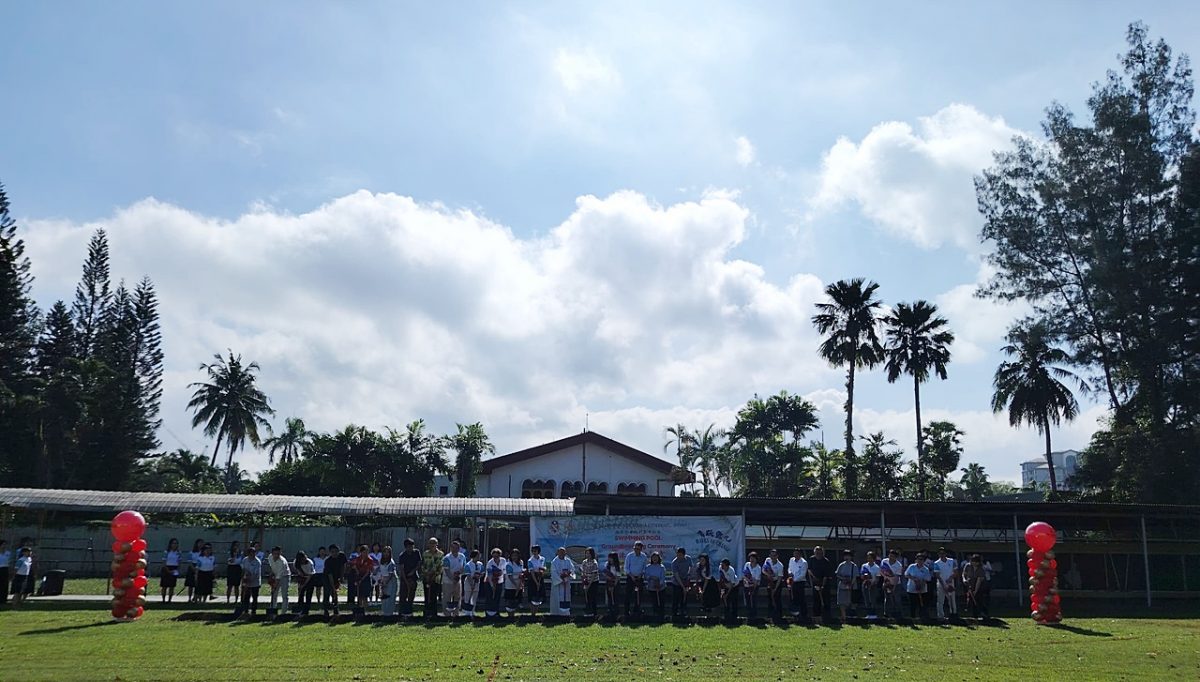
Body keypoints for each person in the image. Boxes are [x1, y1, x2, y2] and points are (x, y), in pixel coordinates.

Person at [232, 546, 262, 618]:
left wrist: (250, 579)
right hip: (246, 582)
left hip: (255, 582)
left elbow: (256, 573)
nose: (252, 555)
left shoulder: (257, 562)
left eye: (254, 553)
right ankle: (245, 611)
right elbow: (243, 569)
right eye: (251, 553)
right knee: (246, 597)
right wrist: (245, 578)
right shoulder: (245, 560)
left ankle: (253, 611)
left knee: (254, 597)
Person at [904, 552, 932, 621]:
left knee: (921, 605)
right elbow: (906, 574)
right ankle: (912, 618)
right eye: (918, 559)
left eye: (921, 559)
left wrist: (921, 583)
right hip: (912, 589)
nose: (920, 561)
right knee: (912, 605)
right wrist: (914, 579)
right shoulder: (911, 566)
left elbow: (928, 579)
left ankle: (921, 618)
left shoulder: (926, 569)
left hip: (922, 590)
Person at [421, 538, 445, 619]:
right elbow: (422, 565)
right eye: (430, 543)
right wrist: (426, 574)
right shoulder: (425, 553)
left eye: (434, 543)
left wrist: (434, 575)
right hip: (426, 578)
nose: (432, 545)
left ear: (436, 544)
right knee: (426, 596)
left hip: (436, 579)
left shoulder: (441, 554)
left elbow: (441, 567)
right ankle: (426, 613)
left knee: (434, 597)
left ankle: (434, 614)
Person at [442, 540, 467, 617]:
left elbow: (464, 567)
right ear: (450, 548)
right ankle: (447, 615)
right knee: (447, 598)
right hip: (448, 581)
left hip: (458, 580)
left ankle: (456, 614)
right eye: (453, 547)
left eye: (457, 547)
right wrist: (453, 579)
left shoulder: (462, 556)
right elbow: (447, 571)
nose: (455, 549)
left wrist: (458, 575)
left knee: (457, 597)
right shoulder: (446, 558)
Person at [265, 546, 291, 618]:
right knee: (274, 594)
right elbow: (272, 567)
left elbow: (278, 577)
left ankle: (283, 613)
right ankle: (273, 609)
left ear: (280, 553)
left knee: (284, 595)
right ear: (272, 553)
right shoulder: (270, 557)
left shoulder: (282, 562)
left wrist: (274, 586)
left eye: (278, 554)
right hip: (276, 575)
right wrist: (271, 574)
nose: (276, 555)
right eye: (275, 553)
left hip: (285, 576)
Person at [623, 541, 648, 617]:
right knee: (628, 595)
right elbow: (626, 568)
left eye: (638, 549)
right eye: (635, 548)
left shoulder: (644, 556)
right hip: (630, 578)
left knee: (638, 596)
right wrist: (631, 576)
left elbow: (644, 568)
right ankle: (626, 612)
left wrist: (641, 574)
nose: (636, 550)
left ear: (641, 549)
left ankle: (636, 611)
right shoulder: (629, 556)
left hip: (639, 578)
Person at [350, 544, 376, 618]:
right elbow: (355, 566)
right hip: (358, 577)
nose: (365, 554)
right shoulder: (358, 559)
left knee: (365, 596)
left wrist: (361, 579)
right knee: (359, 596)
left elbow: (368, 571)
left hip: (365, 578)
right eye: (364, 552)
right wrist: (357, 572)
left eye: (367, 552)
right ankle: (359, 611)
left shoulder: (370, 560)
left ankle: (366, 612)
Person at [933, 547, 958, 620]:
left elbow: (956, 572)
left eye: (943, 553)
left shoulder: (952, 561)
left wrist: (950, 578)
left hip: (950, 583)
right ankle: (940, 616)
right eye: (940, 553)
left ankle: (953, 614)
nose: (941, 555)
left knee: (952, 600)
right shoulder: (936, 563)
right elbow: (937, 575)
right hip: (941, 584)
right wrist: (943, 585)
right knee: (940, 601)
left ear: (946, 553)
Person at [962, 554, 990, 619]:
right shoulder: (968, 566)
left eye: (975, 562)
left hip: (980, 586)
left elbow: (979, 581)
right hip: (970, 585)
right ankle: (975, 615)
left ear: (978, 562)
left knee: (979, 600)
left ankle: (984, 613)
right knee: (972, 600)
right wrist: (964, 580)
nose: (973, 563)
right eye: (972, 561)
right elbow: (964, 574)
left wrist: (975, 591)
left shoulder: (981, 569)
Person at [808, 545, 832, 621]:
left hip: (824, 582)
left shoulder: (826, 561)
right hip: (815, 581)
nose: (818, 554)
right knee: (816, 600)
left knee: (826, 600)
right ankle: (816, 616)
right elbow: (809, 569)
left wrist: (823, 586)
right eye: (817, 553)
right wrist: (813, 578)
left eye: (820, 553)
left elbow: (826, 575)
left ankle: (827, 616)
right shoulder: (812, 559)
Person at [397, 538, 420, 617]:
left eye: (412, 546)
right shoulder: (402, 555)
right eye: (409, 546)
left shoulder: (416, 552)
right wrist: (406, 581)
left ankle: (410, 612)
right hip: (404, 577)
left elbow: (419, 563)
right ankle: (401, 613)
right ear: (405, 547)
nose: (410, 548)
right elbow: (401, 569)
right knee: (403, 596)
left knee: (411, 595)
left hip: (413, 577)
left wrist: (413, 571)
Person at [550, 546, 576, 616]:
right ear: (557, 553)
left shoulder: (568, 561)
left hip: (566, 584)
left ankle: (566, 614)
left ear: (565, 553)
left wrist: (568, 576)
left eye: (563, 552)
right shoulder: (554, 562)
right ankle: (556, 614)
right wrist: (561, 579)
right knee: (558, 599)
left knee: (566, 598)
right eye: (560, 552)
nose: (562, 553)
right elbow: (553, 572)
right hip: (558, 585)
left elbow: (572, 569)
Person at [880, 549, 904, 620]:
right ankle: (886, 613)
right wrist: (885, 579)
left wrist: (894, 586)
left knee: (897, 599)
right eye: (890, 555)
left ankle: (898, 613)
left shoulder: (898, 565)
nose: (891, 557)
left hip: (896, 584)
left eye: (892, 556)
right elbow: (881, 571)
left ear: (895, 557)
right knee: (887, 598)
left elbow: (897, 577)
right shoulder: (884, 561)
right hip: (886, 582)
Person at [787, 548, 811, 621]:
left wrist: (794, 580)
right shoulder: (791, 559)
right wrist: (790, 573)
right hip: (792, 582)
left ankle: (804, 615)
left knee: (801, 599)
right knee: (793, 599)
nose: (796, 555)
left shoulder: (804, 562)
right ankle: (795, 615)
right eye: (795, 553)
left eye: (797, 553)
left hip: (800, 583)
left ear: (800, 554)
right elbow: (789, 568)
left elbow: (802, 575)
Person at [323, 544, 346, 617]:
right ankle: (326, 610)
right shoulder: (328, 561)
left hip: (336, 577)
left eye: (336, 551)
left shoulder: (342, 556)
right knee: (327, 593)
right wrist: (333, 588)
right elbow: (330, 575)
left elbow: (343, 566)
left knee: (335, 594)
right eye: (332, 552)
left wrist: (342, 577)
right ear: (330, 552)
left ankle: (336, 610)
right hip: (327, 578)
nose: (334, 553)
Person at [374, 546, 398, 617]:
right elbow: (378, 569)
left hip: (391, 581)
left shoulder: (391, 562)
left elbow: (391, 574)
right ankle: (384, 613)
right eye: (384, 552)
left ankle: (389, 614)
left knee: (389, 597)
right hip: (384, 580)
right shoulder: (381, 561)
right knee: (384, 597)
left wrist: (385, 583)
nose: (386, 554)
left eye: (388, 552)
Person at [670, 547, 693, 618]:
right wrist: (682, 586)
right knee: (676, 598)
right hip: (677, 582)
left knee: (684, 598)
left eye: (680, 555)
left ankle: (683, 612)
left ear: (684, 555)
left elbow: (691, 567)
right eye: (677, 555)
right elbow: (676, 575)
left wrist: (689, 576)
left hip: (685, 580)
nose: (678, 556)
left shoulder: (688, 558)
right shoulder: (674, 562)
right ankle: (674, 614)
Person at [835, 549, 857, 624]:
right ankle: (843, 617)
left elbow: (855, 577)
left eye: (848, 556)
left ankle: (850, 617)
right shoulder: (841, 565)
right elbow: (837, 574)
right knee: (841, 602)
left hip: (850, 586)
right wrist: (843, 579)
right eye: (845, 556)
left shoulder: (854, 566)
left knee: (849, 602)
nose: (847, 557)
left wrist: (850, 584)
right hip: (842, 585)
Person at [763, 549, 785, 620]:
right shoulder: (767, 560)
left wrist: (775, 588)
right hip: (769, 580)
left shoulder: (780, 565)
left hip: (777, 582)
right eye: (771, 555)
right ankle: (770, 614)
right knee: (769, 598)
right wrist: (768, 575)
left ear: (777, 556)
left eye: (774, 556)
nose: (773, 557)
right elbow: (763, 570)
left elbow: (780, 578)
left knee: (777, 598)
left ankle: (779, 615)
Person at [525, 544, 546, 617]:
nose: (534, 552)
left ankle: (536, 612)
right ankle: (532, 613)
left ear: (538, 551)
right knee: (532, 595)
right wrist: (536, 582)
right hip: (533, 578)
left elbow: (543, 567)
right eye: (533, 551)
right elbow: (532, 572)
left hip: (540, 576)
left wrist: (542, 573)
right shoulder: (530, 560)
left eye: (536, 551)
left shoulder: (542, 559)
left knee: (539, 595)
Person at [484, 547, 506, 618]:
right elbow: (489, 574)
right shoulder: (490, 563)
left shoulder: (503, 561)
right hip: (489, 581)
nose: (495, 558)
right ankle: (488, 613)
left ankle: (496, 612)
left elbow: (504, 571)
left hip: (499, 581)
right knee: (489, 597)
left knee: (497, 597)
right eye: (494, 556)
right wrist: (492, 585)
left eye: (497, 556)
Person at [860, 551, 882, 620]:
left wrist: (873, 583)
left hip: (873, 585)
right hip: (865, 584)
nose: (869, 559)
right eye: (868, 558)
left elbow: (878, 578)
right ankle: (868, 613)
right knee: (866, 599)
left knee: (873, 600)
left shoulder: (877, 567)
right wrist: (864, 578)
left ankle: (874, 614)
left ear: (873, 558)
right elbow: (861, 575)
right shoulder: (864, 566)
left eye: (870, 558)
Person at [645, 552, 667, 618]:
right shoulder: (648, 567)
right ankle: (655, 614)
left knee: (661, 602)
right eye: (653, 557)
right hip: (651, 588)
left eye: (656, 557)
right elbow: (646, 576)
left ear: (658, 558)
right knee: (654, 602)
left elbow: (663, 577)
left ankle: (661, 615)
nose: (655, 559)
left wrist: (659, 584)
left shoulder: (661, 567)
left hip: (661, 588)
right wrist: (651, 577)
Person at [579, 547, 600, 617]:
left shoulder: (594, 562)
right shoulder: (584, 562)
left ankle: (594, 613)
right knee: (587, 597)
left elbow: (594, 575)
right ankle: (588, 611)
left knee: (593, 597)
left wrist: (589, 585)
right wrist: (584, 581)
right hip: (586, 581)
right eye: (586, 553)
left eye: (589, 553)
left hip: (593, 582)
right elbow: (582, 572)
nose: (587, 555)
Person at [503, 548, 524, 616]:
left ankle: (513, 615)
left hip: (519, 584)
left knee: (516, 601)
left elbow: (521, 572)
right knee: (510, 601)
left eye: (516, 555)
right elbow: (510, 576)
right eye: (513, 555)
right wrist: (516, 585)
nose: (514, 557)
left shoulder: (521, 562)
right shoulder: (508, 564)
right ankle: (510, 616)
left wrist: (520, 584)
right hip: (510, 585)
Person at [160, 538, 182, 603]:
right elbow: (163, 562)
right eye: (173, 543)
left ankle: (169, 600)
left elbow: (179, 562)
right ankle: (163, 600)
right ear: (170, 544)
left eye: (176, 543)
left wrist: (177, 570)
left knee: (172, 586)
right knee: (164, 586)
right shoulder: (166, 552)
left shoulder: (178, 552)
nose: (175, 545)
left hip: (174, 568)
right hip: (166, 568)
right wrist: (168, 571)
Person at [463, 549, 483, 617]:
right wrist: (471, 584)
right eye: (477, 556)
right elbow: (468, 575)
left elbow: (482, 573)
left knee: (474, 598)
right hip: (469, 583)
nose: (478, 557)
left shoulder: (480, 564)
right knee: (467, 598)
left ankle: (473, 611)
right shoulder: (468, 565)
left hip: (477, 582)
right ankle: (466, 612)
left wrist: (478, 576)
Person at [742, 551, 762, 619]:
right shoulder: (747, 564)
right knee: (747, 600)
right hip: (746, 585)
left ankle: (754, 615)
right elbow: (744, 575)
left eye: (753, 558)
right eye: (750, 558)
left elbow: (756, 580)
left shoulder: (758, 568)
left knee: (753, 600)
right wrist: (746, 581)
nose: (752, 560)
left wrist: (753, 586)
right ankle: (748, 614)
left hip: (754, 586)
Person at [293, 551, 314, 616]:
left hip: (310, 579)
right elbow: (299, 572)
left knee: (308, 594)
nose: (303, 560)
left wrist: (304, 585)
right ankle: (300, 607)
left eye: (304, 558)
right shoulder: (296, 562)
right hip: (302, 577)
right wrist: (301, 585)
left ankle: (306, 609)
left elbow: (310, 575)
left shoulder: (309, 563)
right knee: (301, 593)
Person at [185, 538, 203, 603]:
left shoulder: (203, 553)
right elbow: (189, 562)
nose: (201, 545)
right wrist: (194, 569)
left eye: (202, 543)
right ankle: (189, 598)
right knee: (190, 584)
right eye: (199, 543)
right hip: (192, 568)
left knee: (198, 584)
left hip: (200, 568)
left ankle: (196, 597)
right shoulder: (192, 552)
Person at [604, 551, 621, 616]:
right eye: (609, 558)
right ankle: (610, 610)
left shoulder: (617, 566)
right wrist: (608, 578)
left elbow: (618, 576)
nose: (609, 559)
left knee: (616, 597)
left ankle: (616, 611)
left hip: (615, 584)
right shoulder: (607, 565)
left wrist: (614, 584)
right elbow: (605, 573)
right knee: (610, 598)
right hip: (609, 583)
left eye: (611, 558)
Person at [0, 540, 11, 607]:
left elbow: (10, 562)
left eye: (5, 545)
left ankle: (4, 599)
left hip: (5, 569)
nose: (4, 546)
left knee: (4, 584)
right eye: (3, 545)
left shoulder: (8, 553)